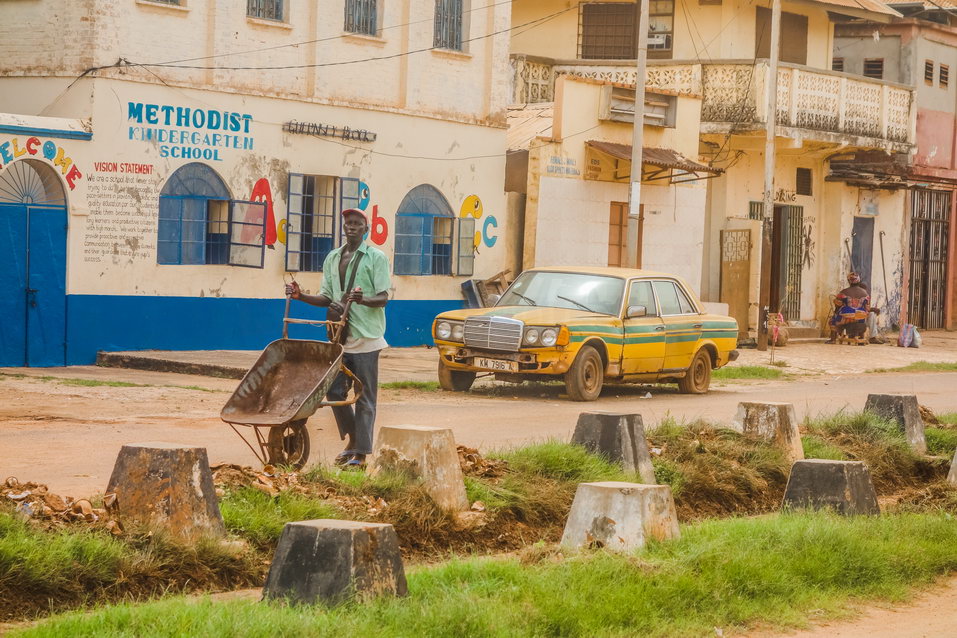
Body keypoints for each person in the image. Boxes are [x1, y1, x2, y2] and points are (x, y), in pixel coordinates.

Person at [285, 208, 391, 468]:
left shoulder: (376, 258)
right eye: (347, 223)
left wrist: (361, 299)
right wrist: (301, 296)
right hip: (339, 338)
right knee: (333, 391)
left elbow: (383, 298)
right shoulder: (333, 258)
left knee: (364, 395)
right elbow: (327, 299)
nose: (351, 227)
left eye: (357, 224)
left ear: (365, 229)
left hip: (366, 338)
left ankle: (361, 453)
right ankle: (353, 439)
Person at [826, 272, 870, 344]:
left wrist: (836, 313)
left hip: (845, 319)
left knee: (832, 321)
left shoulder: (844, 292)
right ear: (858, 281)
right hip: (860, 319)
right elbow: (867, 308)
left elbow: (838, 305)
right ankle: (861, 338)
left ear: (849, 281)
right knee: (862, 315)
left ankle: (833, 339)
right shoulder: (865, 293)